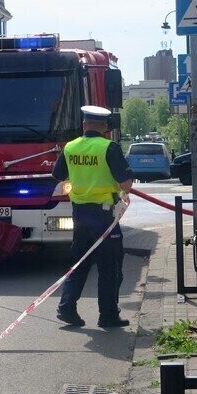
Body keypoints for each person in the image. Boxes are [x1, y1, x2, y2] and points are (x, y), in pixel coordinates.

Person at [52, 105, 133, 328]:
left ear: (84, 124)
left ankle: (66, 307)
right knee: (110, 267)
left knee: (79, 263)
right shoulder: (109, 147)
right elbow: (126, 184)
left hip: (80, 213)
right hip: (104, 216)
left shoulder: (70, 147)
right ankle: (108, 315)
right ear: (105, 127)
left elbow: (57, 175)